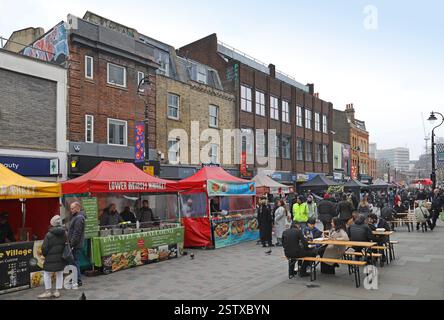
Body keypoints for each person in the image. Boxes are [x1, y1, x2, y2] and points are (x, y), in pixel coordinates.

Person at [38, 215, 66, 299]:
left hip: (50, 258)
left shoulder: (49, 235)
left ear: (52, 223)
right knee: (59, 273)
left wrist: (45, 255)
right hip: (61, 257)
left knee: (47, 273)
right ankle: (57, 291)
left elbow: (44, 248)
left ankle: (48, 292)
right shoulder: (64, 233)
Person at [68, 202, 85, 289]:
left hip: (75, 245)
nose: (71, 210)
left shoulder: (79, 218)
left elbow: (76, 233)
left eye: (72, 208)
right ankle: (75, 278)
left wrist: (72, 244)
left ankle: (78, 280)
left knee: (75, 262)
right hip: (75, 244)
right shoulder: (76, 217)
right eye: (71, 208)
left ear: (78, 208)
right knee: (74, 262)